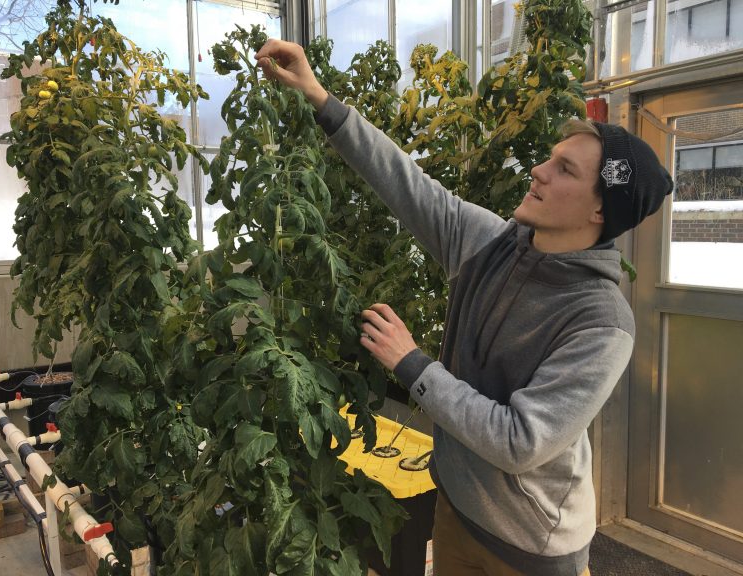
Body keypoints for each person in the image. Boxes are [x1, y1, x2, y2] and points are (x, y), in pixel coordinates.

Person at [255, 39, 672, 576]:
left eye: (565, 170)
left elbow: (520, 441)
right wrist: (318, 95)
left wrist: (412, 363)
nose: (539, 171)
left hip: (530, 544)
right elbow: (405, 184)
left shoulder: (602, 323)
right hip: (457, 510)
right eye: (550, 158)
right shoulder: (489, 243)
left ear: (600, 211)